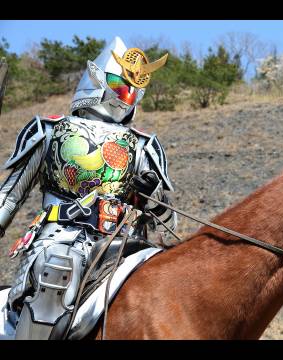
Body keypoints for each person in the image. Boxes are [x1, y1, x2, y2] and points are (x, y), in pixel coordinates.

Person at [0, 36, 177, 339]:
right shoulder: (50, 129)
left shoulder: (145, 146)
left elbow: (168, 223)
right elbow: (11, 195)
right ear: (98, 79)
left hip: (123, 246)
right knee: (55, 273)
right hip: (60, 238)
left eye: (134, 93)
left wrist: (151, 197)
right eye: (121, 88)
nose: (126, 98)